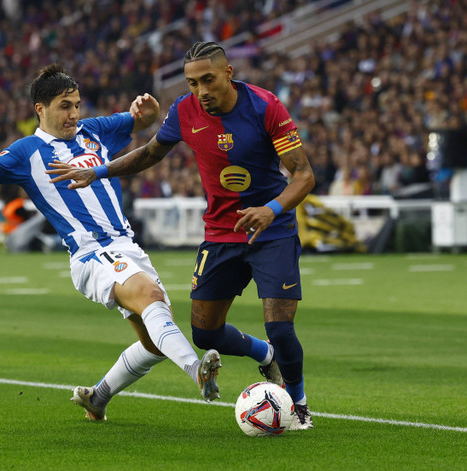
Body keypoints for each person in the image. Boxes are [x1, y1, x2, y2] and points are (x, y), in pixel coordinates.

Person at [47, 42, 316, 430]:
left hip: (270, 231)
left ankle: (300, 404)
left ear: (228, 73)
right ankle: (265, 354)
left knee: (280, 324)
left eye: (208, 80)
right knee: (206, 333)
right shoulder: (185, 111)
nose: (201, 90)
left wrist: (271, 209)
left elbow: (304, 174)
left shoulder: (265, 106)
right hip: (221, 233)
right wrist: (100, 171)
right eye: (192, 83)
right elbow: (151, 153)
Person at [0, 64, 221, 421]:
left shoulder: (94, 131)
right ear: (41, 109)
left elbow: (139, 121)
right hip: (90, 252)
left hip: (127, 246)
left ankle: (98, 399)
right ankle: (195, 371)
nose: (74, 114)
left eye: (77, 104)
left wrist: (151, 111)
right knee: (151, 298)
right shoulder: (25, 151)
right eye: (65, 106)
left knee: (155, 343)